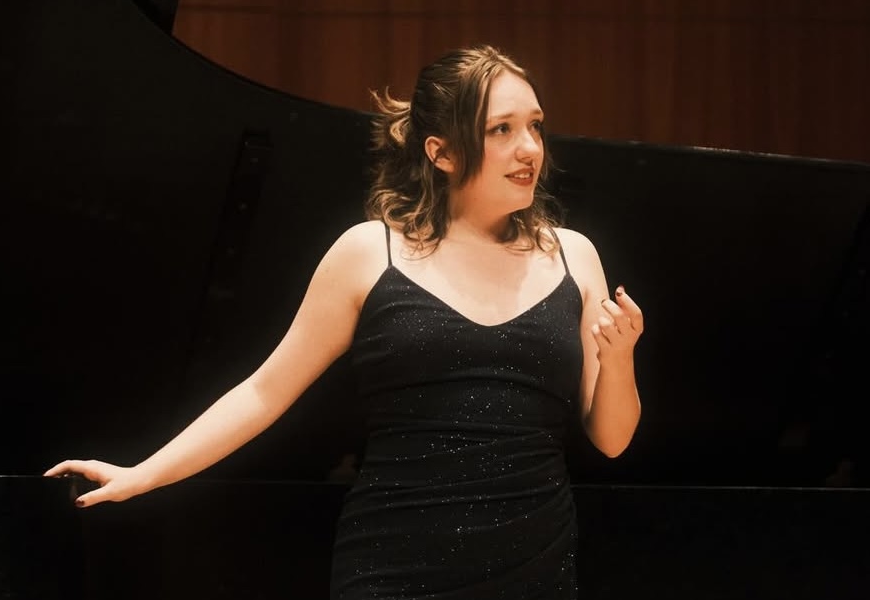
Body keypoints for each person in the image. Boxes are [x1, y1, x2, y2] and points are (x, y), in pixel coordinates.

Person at [46, 45, 643, 599]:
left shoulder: (573, 256)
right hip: (394, 567)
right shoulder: (368, 253)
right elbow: (263, 391)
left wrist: (619, 357)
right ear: (441, 151)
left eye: (535, 125)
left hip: (533, 567)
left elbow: (612, 440)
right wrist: (143, 474)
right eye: (501, 130)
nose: (530, 148)